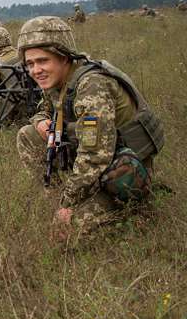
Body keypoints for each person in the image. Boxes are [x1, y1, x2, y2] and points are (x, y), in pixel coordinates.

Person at [15, 16, 164, 240]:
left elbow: (95, 155)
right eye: (30, 64)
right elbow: (42, 110)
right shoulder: (58, 80)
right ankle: (60, 199)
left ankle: (137, 210)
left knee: (65, 235)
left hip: (124, 170)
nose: (36, 70)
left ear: (64, 56)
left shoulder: (92, 85)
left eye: (43, 61)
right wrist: (40, 122)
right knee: (27, 134)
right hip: (102, 159)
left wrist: (68, 203)